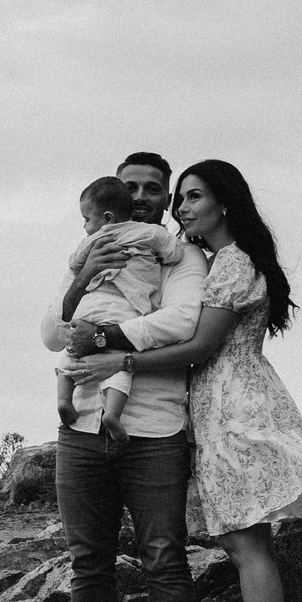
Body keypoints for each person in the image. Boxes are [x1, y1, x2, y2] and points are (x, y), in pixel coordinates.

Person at [61, 158, 302, 602]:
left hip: (235, 406)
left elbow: (201, 346)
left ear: (225, 203)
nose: (180, 208)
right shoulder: (209, 259)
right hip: (214, 406)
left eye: (192, 197)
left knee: (247, 545)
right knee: (242, 544)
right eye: (181, 199)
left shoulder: (234, 263)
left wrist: (121, 356)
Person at [40, 152, 205, 602]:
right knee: (89, 562)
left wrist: (109, 338)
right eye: (130, 185)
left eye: (153, 189)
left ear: (165, 198)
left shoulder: (179, 253)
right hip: (81, 425)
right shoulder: (96, 246)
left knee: (163, 555)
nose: (140, 196)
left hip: (156, 426)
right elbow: (50, 332)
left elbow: (183, 322)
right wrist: (87, 282)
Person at [57, 175, 187, 440]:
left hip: (90, 304)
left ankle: (64, 400)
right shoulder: (151, 233)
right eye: (131, 189)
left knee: (70, 351)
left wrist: (85, 267)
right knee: (117, 365)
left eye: (86, 220)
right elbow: (174, 252)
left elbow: (74, 262)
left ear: (106, 218)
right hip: (126, 308)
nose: (85, 226)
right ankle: (113, 414)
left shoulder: (94, 241)